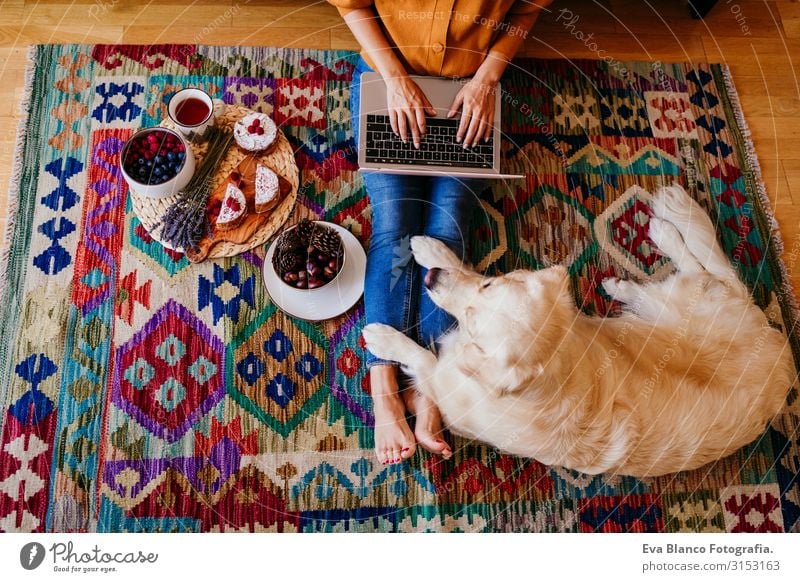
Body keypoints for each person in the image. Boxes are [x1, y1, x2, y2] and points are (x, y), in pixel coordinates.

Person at [329, 0, 552, 465]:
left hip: (471, 89)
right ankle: (385, 387)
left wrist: (488, 79)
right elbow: (352, 6)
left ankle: (430, 389)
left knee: (446, 232)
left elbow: (527, 10)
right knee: (394, 229)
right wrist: (395, 80)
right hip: (387, 76)